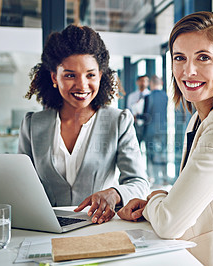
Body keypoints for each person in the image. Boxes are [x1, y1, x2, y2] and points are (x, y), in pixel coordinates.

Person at [117, 11, 213, 266]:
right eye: (179, 58)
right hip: (206, 253)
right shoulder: (201, 118)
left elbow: (170, 223)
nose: (189, 71)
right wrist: (159, 202)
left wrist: (154, 199)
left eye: (203, 58)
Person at [18, 24, 150, 225]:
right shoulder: (32, 124)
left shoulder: (118, 121)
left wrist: (114, 193)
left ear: (100, 76)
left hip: (99, 228)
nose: (82, 85)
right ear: (54, 77)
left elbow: (139, 183)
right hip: (45, 229)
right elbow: (20, 184)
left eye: (90, 75)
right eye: (70, 75)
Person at [139, 75, 168, 186]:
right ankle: (164, 178)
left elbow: (146, 116)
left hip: (150, 130)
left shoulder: (148, 97)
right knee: (162, 153)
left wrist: (138, 116)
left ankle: (154, 179)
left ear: (151, 84)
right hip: (162, 129)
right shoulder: (165, 96)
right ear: (160, 83)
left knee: (151, 154)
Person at [126, 75, 150, 144]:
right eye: (141, 81)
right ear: (137, 82)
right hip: (135, 125)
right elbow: (128, 110)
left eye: (145, 81)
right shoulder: (131, 96)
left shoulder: (150, 95)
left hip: (147, 125)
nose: (143, 83)